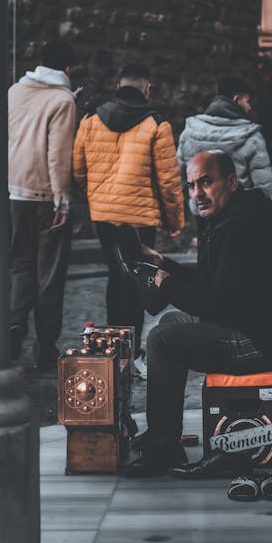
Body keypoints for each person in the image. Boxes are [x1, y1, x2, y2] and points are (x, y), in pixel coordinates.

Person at [124, 150, 272, 477]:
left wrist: (168, 285)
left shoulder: (243, 224)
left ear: (231, 182)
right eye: (191, 186)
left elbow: (218, 303)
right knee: (170, 324)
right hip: (248, 326)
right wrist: (164, 265)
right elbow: (211, 282)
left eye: (206, 182)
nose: (197, 194)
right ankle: (163, 435)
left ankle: (164, 446)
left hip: (261, 341)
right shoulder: (226, 218)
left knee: (163, 340)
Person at [73, 64, 185, 357]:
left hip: (105, 215)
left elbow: (78, 168)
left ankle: (115, 347)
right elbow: (168, 181)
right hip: (140, 217)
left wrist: (94, 196)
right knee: (138, 276)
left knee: (115, 273)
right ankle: (132, 350)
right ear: (147, 88)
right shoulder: (157, 124)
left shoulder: (91, 119)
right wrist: (174, 219)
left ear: (118, 85)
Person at [8, 40, 77, 370]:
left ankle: (13, 326)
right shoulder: (63, 100)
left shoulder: (15, 92)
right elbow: (57, 154)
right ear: (67, 70)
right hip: (45, 197)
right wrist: (62, 201)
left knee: (20, 267)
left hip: (13, 193)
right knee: (49, 274)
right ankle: (46, 347)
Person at [177, 76, 272, 201]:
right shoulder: (251, 136)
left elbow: (178, 179)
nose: (249, 108)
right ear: (236, 99)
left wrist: (194, 203)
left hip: (202, 213)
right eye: (247, 102)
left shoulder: (190, 132)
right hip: (241, 215)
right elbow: (264, 189)